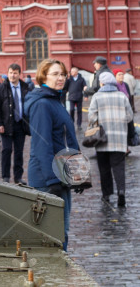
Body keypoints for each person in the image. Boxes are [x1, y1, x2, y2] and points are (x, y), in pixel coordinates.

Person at [26, 59, 81, 251]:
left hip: (60, 174)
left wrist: (77, 175)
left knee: (61, 231)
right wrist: (52, 181)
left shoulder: (55, 100)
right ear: (43, 76)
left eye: (63, 74)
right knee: (53, 235)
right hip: (47, 178)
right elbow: (42, 145)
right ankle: (56, 275)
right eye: (55, 74)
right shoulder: (43, 104)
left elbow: (65, 140)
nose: (61, 78)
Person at [87, 72, 133, 207]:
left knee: (104, 168)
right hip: (119, 140)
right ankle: (121, 191)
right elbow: (129, 117)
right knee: (119, 167)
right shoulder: (122, 96)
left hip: (102, 140)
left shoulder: (97, 96)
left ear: (101, 83)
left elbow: (91, 117)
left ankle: (106, 195)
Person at [0, 63, 30, 184]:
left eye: (15, 73)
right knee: (7, 150)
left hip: (20, 125)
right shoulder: (0, 88)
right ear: (7, 73)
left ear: (19, 74)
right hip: (6, 124)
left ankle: (18, 177)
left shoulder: (25, 87)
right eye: (10, 73)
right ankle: (6, 177)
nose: (12, 75)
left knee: (19, 152)